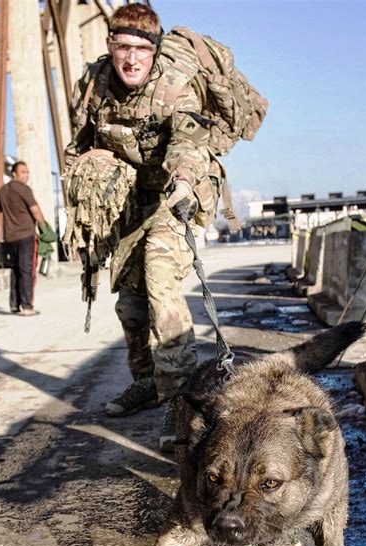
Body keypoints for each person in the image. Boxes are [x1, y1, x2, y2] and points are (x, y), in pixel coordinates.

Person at [65, 3, 224, 451]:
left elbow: (191, 143)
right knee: (131, 306)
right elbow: (79, 144)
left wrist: (186, 183)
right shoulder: (94, 84)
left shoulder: (175, 86)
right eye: (122, 47)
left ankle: (181, 404)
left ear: (154, 51)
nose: (131, 59)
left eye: (141, 49)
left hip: (178, 192)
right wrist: (82, 201)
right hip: (133, 196)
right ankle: (147, 383)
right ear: (109, 47)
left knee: (160, 284)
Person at [0, 161, 47, 316]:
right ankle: (27, 306)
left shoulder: (3, 191)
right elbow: (35, 210)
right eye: (23, 172)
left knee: (15, 270)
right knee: (27, 270)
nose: (26, 175)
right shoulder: (24, 189)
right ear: (13, 173)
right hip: (26, 235)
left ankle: (14, 305)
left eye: (27, 172)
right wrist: (45, 228)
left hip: (9, 237)